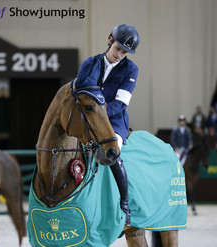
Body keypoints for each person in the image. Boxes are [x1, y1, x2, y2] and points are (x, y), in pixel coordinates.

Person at [73, 24, 139, 226]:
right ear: (110, 39)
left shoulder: (131, 69)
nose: (120, 54)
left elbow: (120, 103)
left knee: (113, 151)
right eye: (118, 48)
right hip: (86, 119)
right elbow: (79, 94)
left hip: (115, 121)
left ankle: (125, 206)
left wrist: (99, 116)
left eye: (125, 52)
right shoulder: (90, 63)